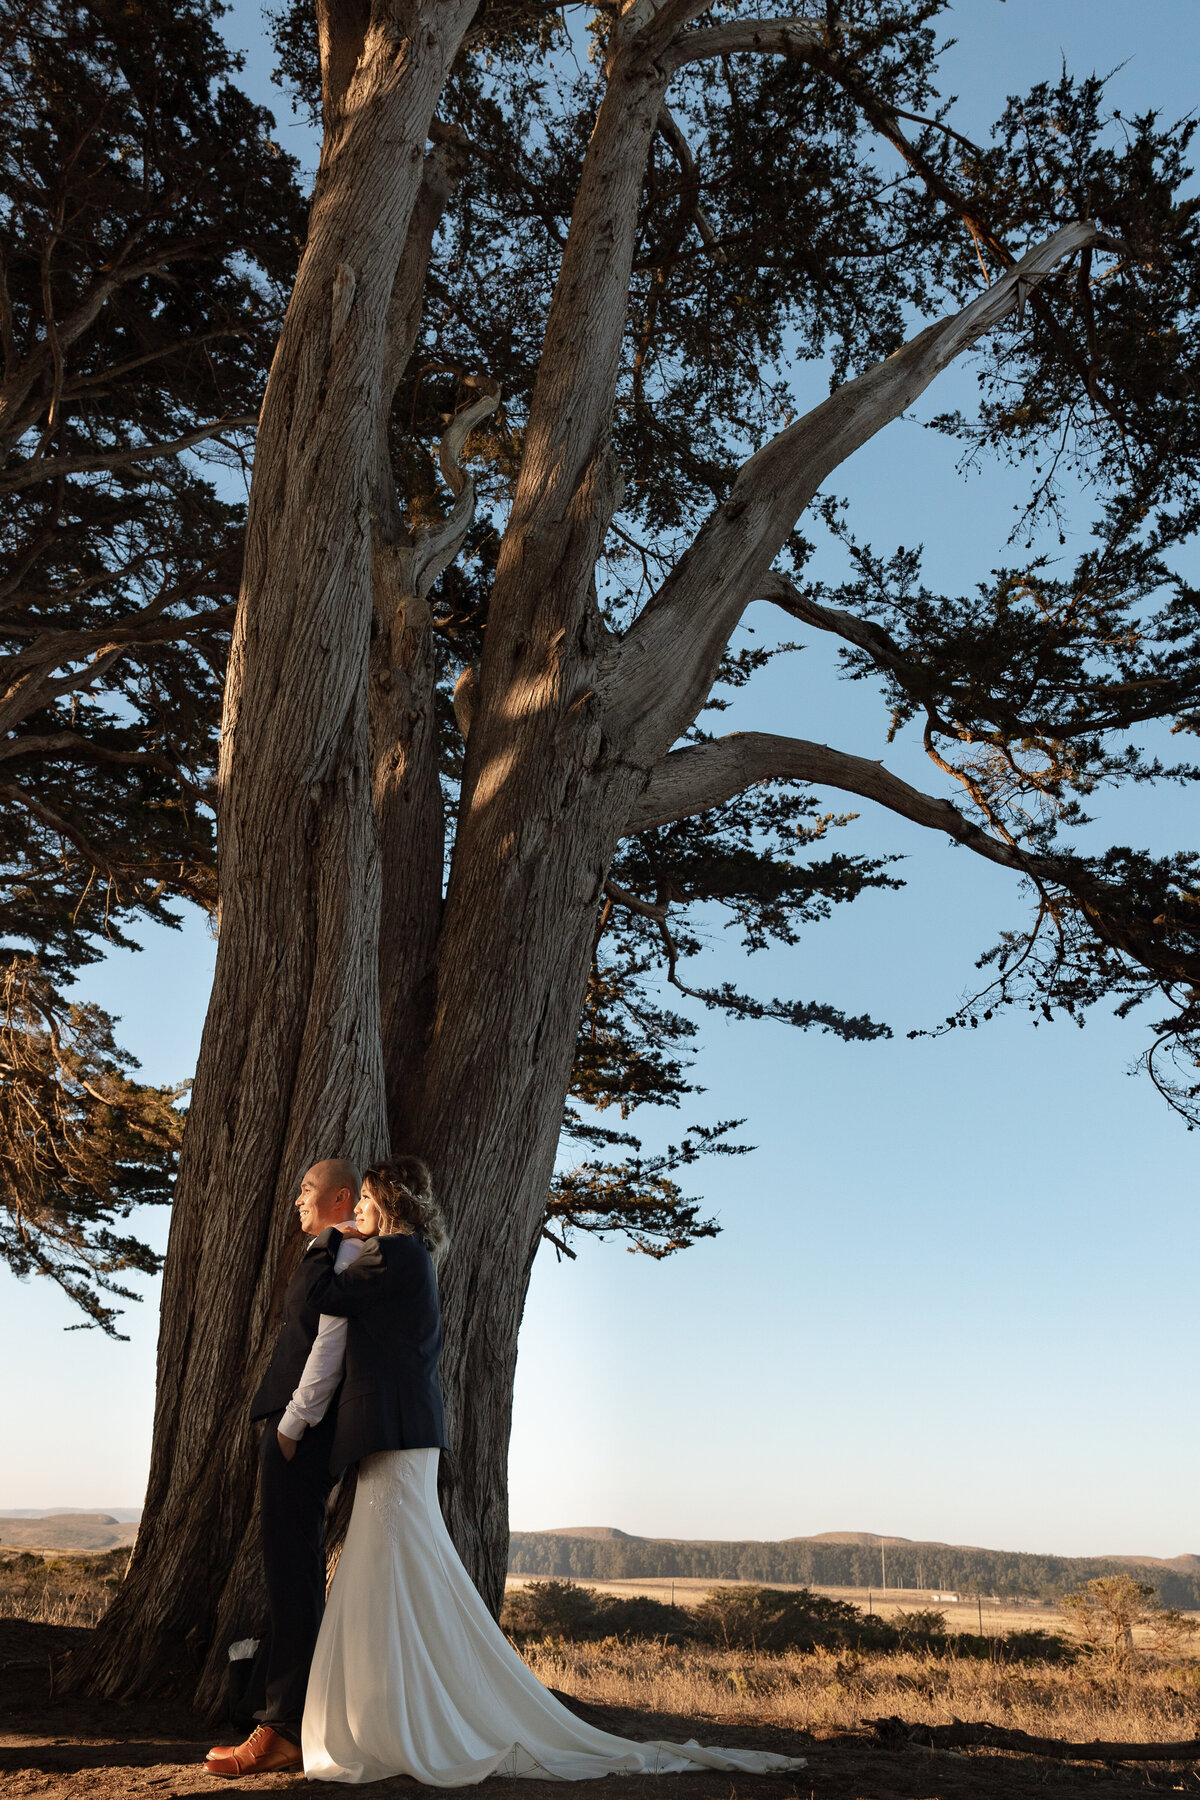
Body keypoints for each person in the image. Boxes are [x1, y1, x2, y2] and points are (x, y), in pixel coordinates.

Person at [298, 1159, 806, 1786]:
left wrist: (328, 1240)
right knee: (394, 1570)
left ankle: (412, 1719)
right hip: (399, 1439)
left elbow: (318, 1294)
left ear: (390, 1204)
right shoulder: (406, 1256)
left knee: (396, 1568)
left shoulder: (396, 1254)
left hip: (399, 1438)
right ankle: (401, 1713)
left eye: (367, 1202)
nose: (360, 1214)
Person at [204, 1158, 364, 1779]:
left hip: (303, 1431)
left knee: (293, 1576)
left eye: (307, 1189)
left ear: (341, 1197)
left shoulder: (346, 1255)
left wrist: (293, 1425)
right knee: (287, 1574)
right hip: (294, 1427)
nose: (297, 1199)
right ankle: (281, 1714)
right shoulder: (331, 1249)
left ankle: (283, 1730)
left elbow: (330, 1345)